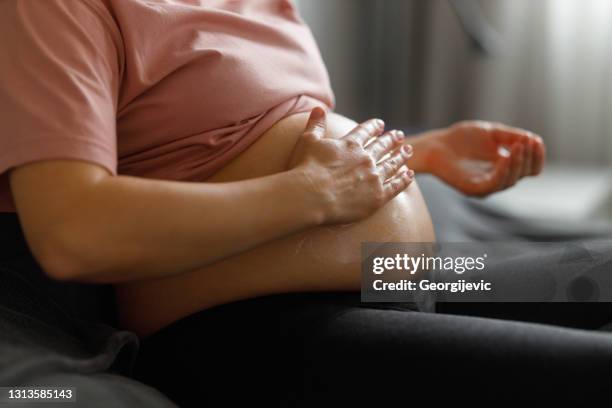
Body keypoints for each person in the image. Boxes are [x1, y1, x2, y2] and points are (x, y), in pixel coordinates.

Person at [11, 1, 610, 407]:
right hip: (243, 326)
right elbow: (73, 231)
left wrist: (420, 154)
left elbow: (260, 135)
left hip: (396, 276)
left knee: (601, 269)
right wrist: (313, 195)